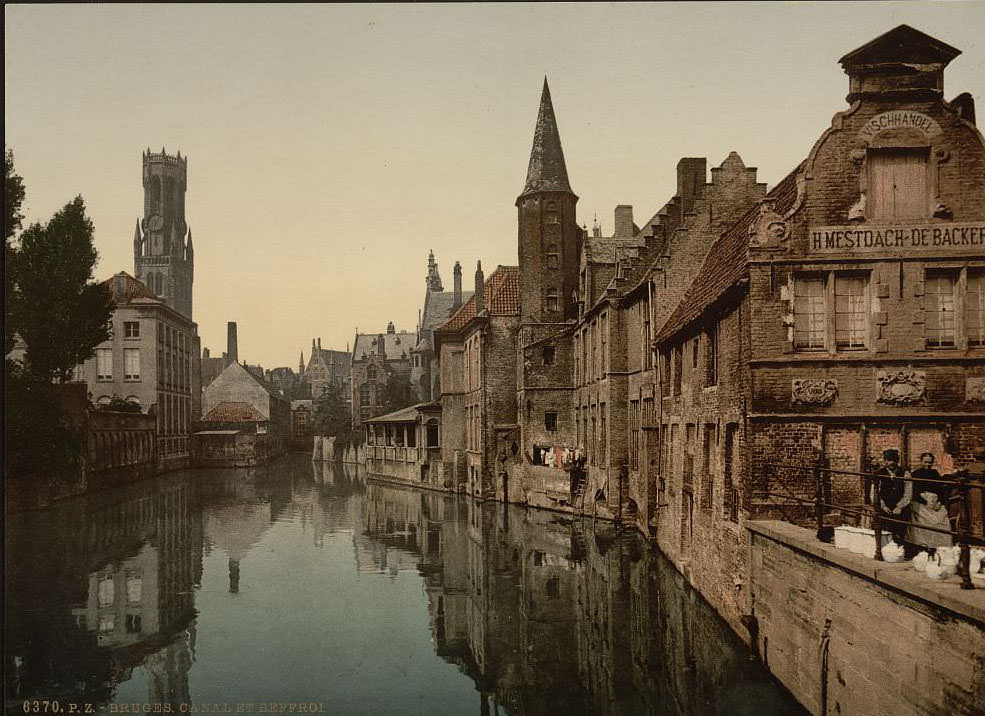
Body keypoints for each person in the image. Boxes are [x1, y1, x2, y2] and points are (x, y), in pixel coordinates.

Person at [905, 452, 952, 553]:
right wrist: (925, 502)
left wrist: (939, 502)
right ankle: (924, 545)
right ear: (921, 461)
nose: (927, 464)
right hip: (921, 502)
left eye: (930, 462)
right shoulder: (916, 474)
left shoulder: (935, 473)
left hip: (935, 503)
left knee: (942, 519)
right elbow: (914, 492)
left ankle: (939, 545)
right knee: (927, 521)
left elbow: (940, 489)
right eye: (925, 462)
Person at [870, 449, 912, 546]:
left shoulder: (905, 473)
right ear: (885, 461)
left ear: (897, 461)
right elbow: (873, 494)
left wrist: (900, 506)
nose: (891, 462)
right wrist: (883, 506)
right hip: (884, 507)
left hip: (900, 507)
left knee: (902, 524)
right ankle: (884, 547)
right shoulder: (879, 474)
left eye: (894, 460)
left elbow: (908, 493)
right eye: (888, 460)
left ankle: (901, 547)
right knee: (884, 525)